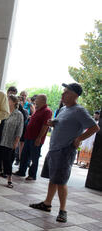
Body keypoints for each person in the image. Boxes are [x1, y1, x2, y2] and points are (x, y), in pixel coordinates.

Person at [30, 83, 99, 223]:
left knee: (61, 181)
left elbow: (94, 127)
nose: (62, 95)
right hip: (55, 148)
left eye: (66, 92)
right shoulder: (63, 109)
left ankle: (63, 210)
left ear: (75, 95)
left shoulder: (79, 110)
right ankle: (47, 203)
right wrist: (53, 123)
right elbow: (64, 123)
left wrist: (79, 138)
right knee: (53, 179)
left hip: (65, 150)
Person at [14, 94, 52, 180]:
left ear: (43, 100)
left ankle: (32, 175)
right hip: (28, 136)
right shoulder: (37, 109)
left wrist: (39, 138)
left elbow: (45, 125)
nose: (35, 100)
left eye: (37, 99)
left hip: (36, 138)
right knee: (24, 155)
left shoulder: (47, 111)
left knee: (34, 157)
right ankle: (21, 171)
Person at [0, 95, 24, 188]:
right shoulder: (3, 112)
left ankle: (9, 179)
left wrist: (16, 141)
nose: (6, 101)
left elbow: (19, 129)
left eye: (8, 100)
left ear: (14, 102)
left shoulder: (19, 114)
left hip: (9, 140)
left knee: (8, 160)